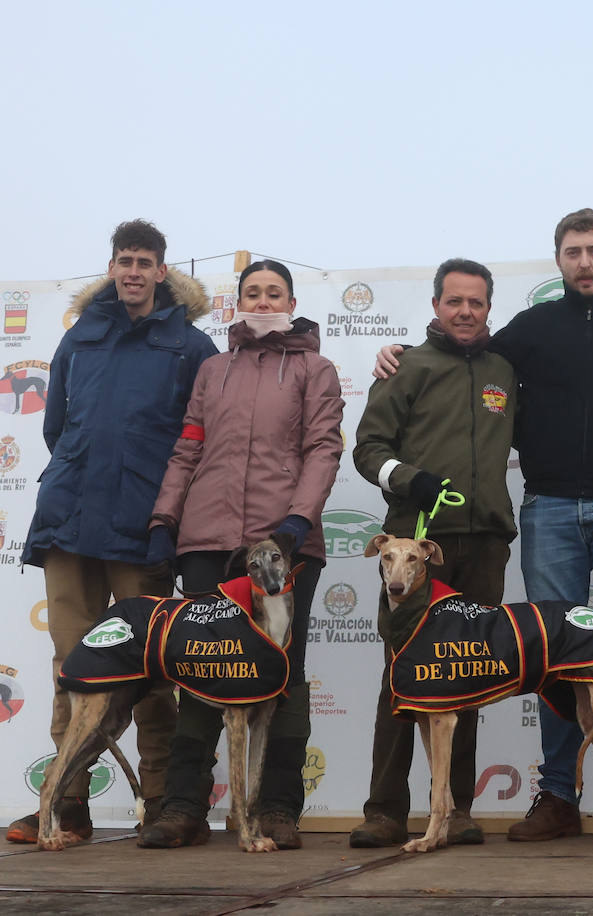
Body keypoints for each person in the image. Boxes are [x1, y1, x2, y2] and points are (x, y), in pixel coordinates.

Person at [374, 210, 593, 841]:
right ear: (559, 260)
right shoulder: (529, 330)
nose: (585, 262)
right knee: (548, 660)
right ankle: (558, 797)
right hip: (546, 508)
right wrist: (395, 350)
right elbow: (460, 354)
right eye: (573, 252)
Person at [8, 220, 218, 844]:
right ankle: (67, 804)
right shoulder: (81, 337)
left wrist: (164, 517)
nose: (132, 271)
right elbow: (59, 430)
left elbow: (197, 443)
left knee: (149, 671)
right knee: (73, 669)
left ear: (162, 272)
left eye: (144, 261)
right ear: (112, 267)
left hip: (142, 531)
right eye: (123, 259)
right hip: (69, 522)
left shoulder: (191, 346)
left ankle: (164, 805)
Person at [137, 259, 343, 848]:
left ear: (291, 300)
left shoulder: (316, 368)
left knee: (284, 673)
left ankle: (278, 807)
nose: (262, 299)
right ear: (238, 302)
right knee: (201, 670)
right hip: (206, 539)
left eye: (273, 292)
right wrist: (164, 520)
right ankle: (182, 808)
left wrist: (297, 523)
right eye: (252, 292)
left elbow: (322, 449)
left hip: (284, 545)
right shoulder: (212, 369)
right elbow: (187, 449)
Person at [349, 258, 517, 848]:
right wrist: (406, 476)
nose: (465, 311)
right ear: (436, 306)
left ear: (489, 308)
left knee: (465, 674)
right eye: (454, 301)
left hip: (486, 545)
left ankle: (458, 808)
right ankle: (385, 810)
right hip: (416, 547)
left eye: (476, 302)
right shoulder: (407, 364)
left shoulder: (505, 370)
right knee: (403, 676)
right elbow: (367, 448)